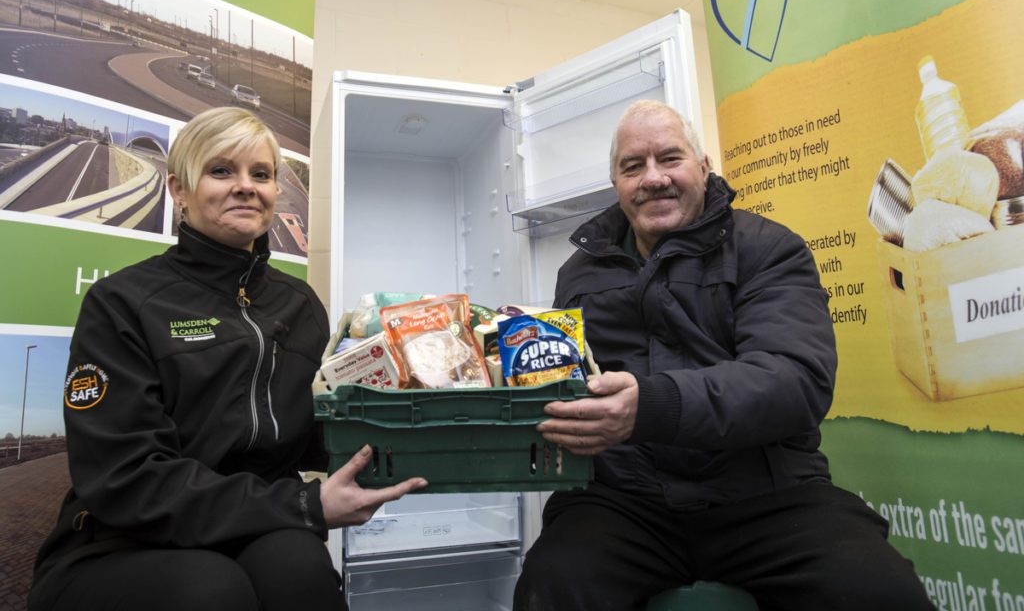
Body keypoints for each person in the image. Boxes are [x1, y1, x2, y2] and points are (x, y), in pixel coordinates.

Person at [513, 100, 933, 611]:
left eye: (670, 158)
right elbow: (567, 384)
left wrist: (649, 405)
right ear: (615, 182)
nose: (653, 178)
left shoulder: (769, 248)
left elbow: (794, 381)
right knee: (552, 585)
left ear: (704, 167)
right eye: (632, 166)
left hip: (765, 493)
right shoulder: (580, 272)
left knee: (877, 591)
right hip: (624, 502)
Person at [28, 107, 426, 611]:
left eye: (261, 174)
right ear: (179, 190)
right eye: (221, 171)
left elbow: (314, 438)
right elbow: (126, 480)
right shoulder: (123, 302)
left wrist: (419, 413)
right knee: (211, 588)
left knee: (301, 570)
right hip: (120, 539)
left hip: (253, 523)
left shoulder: (299, 304)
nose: (246, 186)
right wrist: (304, 503)